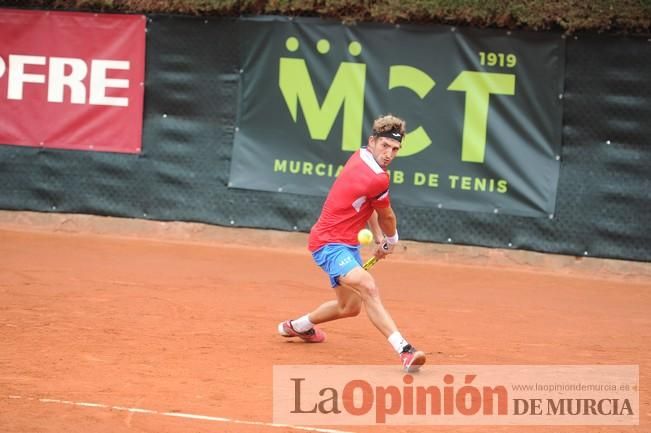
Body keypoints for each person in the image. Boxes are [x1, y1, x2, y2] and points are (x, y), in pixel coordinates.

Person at [277, 114, 426, 372]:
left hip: (346, 245)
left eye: (395, 149)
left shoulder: (360, 157)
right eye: (385, 146)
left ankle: (299, 326)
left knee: (349, 307)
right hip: (328, 243)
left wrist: (378, 237)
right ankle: (405, 350)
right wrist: (392, 239)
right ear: (372, 141)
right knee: (368, 286)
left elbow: (366, 205)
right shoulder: (377, 176)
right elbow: (387, 214)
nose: (389, 153)